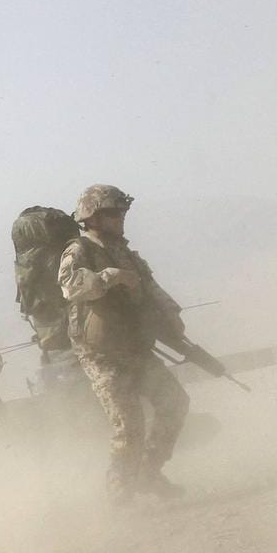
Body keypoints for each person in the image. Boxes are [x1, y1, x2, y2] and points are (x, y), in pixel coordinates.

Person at [57, 184, 192, 500]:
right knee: (129, 427)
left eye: (122, 213)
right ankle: (119, 496)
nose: (121, 219)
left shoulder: (125, 252)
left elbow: (151, 288)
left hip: (135, 346)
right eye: (113, 213)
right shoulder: (79, 250)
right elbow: (70, 286)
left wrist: (172, 317)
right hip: (101, 354)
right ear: (93, 216)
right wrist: (110, 276)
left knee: (175, 403)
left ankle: (148, 473)